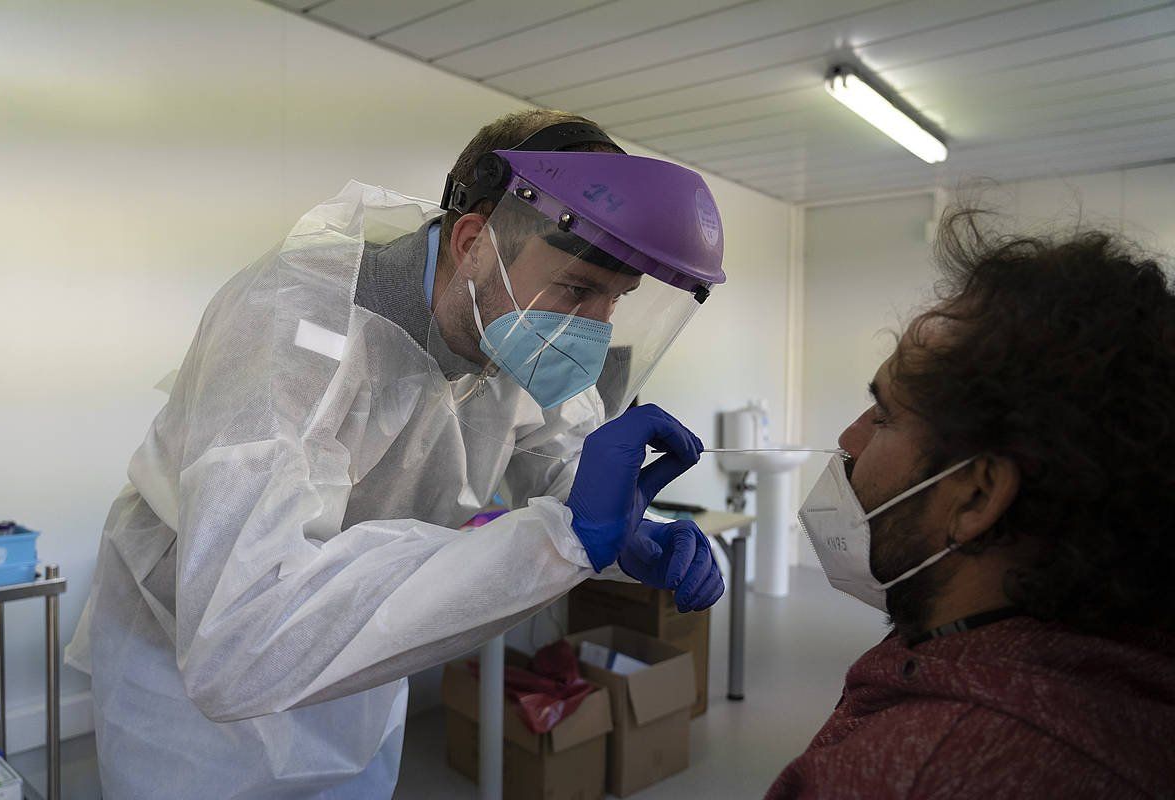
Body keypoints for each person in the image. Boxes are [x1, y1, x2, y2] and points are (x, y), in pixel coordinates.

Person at [66, 109, 727, 799]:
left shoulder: (510, 330)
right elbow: (240, 638)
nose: (592, 328)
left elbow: (566, 468)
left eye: (616, 299)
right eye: (578, 288)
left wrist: (618, 537)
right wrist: (560, 542)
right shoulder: (291, 330)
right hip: (186, 680)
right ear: (475, 241)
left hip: (356, 654)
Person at [775, 208, 1175, 799]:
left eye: (883, 416)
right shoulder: (1118, 661)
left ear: (978, 494)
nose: (848, 440)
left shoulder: (926, 771)